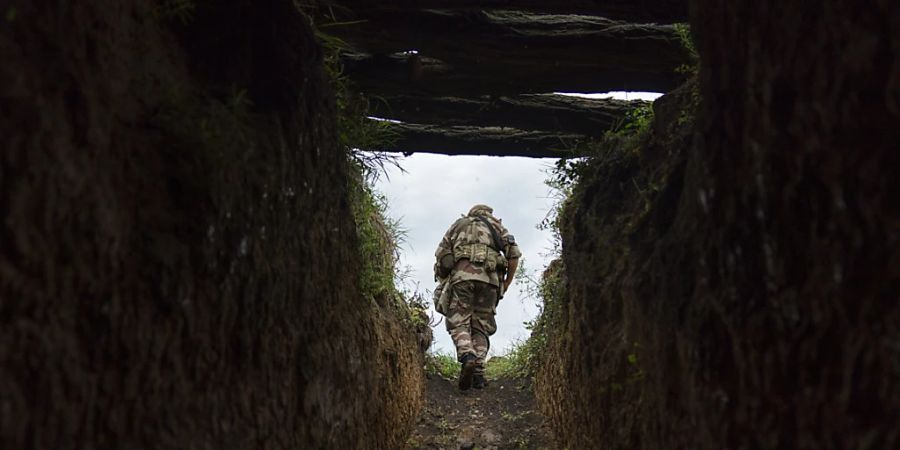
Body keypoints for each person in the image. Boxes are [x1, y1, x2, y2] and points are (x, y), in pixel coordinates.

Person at [434, 204, 521, 390]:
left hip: (462, 279)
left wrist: (443, 280)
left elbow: (442, 256)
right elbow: (514, 254)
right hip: (490, 281)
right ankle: (479, 374)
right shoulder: (497, 226)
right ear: (489, 214)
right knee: (481, 326)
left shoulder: (459, 224)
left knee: (459, 321)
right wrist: (506, 283)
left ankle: (468, 356)